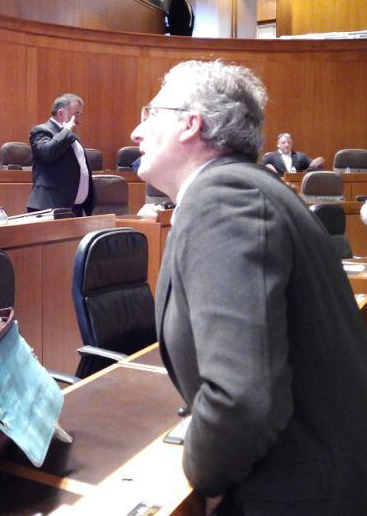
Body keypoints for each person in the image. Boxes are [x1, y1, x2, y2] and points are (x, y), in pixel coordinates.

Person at [131, 59, 367, 515]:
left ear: (191, 124)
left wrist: (206, 476)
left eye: (151, 114)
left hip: (294, 495)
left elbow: (242, 397)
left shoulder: (223, 199)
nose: (137, 132)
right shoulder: (251, 188)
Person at [26, 93, 95, 216]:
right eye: (76, 114)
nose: (79, 120)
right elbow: (48, 153)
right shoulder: (40, 131)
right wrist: (67, 131)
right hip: (50, 206)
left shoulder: (70, 135)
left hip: (74, 208)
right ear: (61, 113)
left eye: (80, 115)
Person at [260, 132, 325, 176]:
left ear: (292, 143)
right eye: (283, 142)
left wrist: (319, 161)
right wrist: (267, 167)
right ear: (278, 144)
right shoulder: (270, 157)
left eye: (289, 142)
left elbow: (314, 166)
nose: (286, 145)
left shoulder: (300, 156)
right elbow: (260, 168)